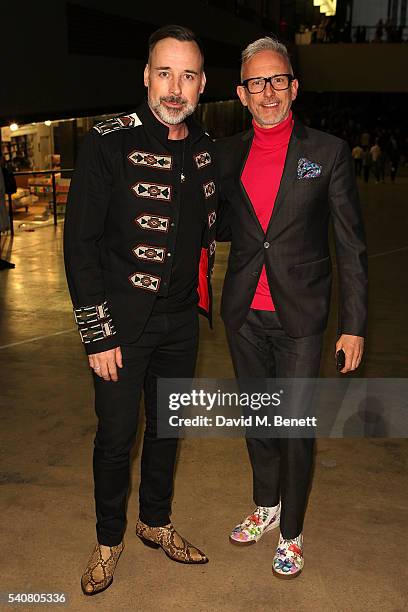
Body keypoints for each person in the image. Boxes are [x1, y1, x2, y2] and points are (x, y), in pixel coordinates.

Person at [64, 24, 217, 596]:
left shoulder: (205, 149)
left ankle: (156, 521)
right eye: (164, 72)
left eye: (187, 75)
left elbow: (214, 224)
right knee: (116, 435)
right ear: (146, 76)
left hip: (181, 322)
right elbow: (79, 247)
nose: (174, 88)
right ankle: (108, 542)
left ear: (201, 84)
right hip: (121, 328)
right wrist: (97, 335)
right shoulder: (108, 141)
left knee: (168, 430)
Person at [217, 37, 368, 579]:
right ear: (242, 93)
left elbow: (350, 245)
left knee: (294, 426)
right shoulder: (227, 154)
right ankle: (266, 504)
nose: (268, 92)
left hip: (300, 318)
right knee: (258, 420)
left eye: (277, 79)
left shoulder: (326, 153)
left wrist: (354, 326)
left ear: (293, 86)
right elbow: (216, 223)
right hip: (243, 315)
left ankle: (292, 532)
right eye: (256, 83)